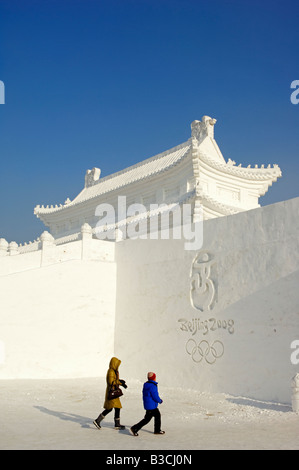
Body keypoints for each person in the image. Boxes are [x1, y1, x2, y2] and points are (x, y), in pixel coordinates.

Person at [93, 356, 127, 430]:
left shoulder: (114, 371)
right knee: (109, 408)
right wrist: (119, 382)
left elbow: (115, 380)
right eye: (117, 364)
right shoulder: (111, 371)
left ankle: (117, 424)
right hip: (112, 393)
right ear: (114, 364)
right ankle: (97, 420)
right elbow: (111, 382)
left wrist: (122, 383)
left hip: (115, 393)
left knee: (117, 407)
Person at [130, 372, 165, 436]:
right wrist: (160, 401)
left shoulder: (146, 384)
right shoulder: (153, 386)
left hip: (148, 404)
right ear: (154, 378)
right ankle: (156, 430)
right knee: (156, 416)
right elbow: (155, 396)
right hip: (152, 406)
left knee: (147, 419)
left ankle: (135, 428)